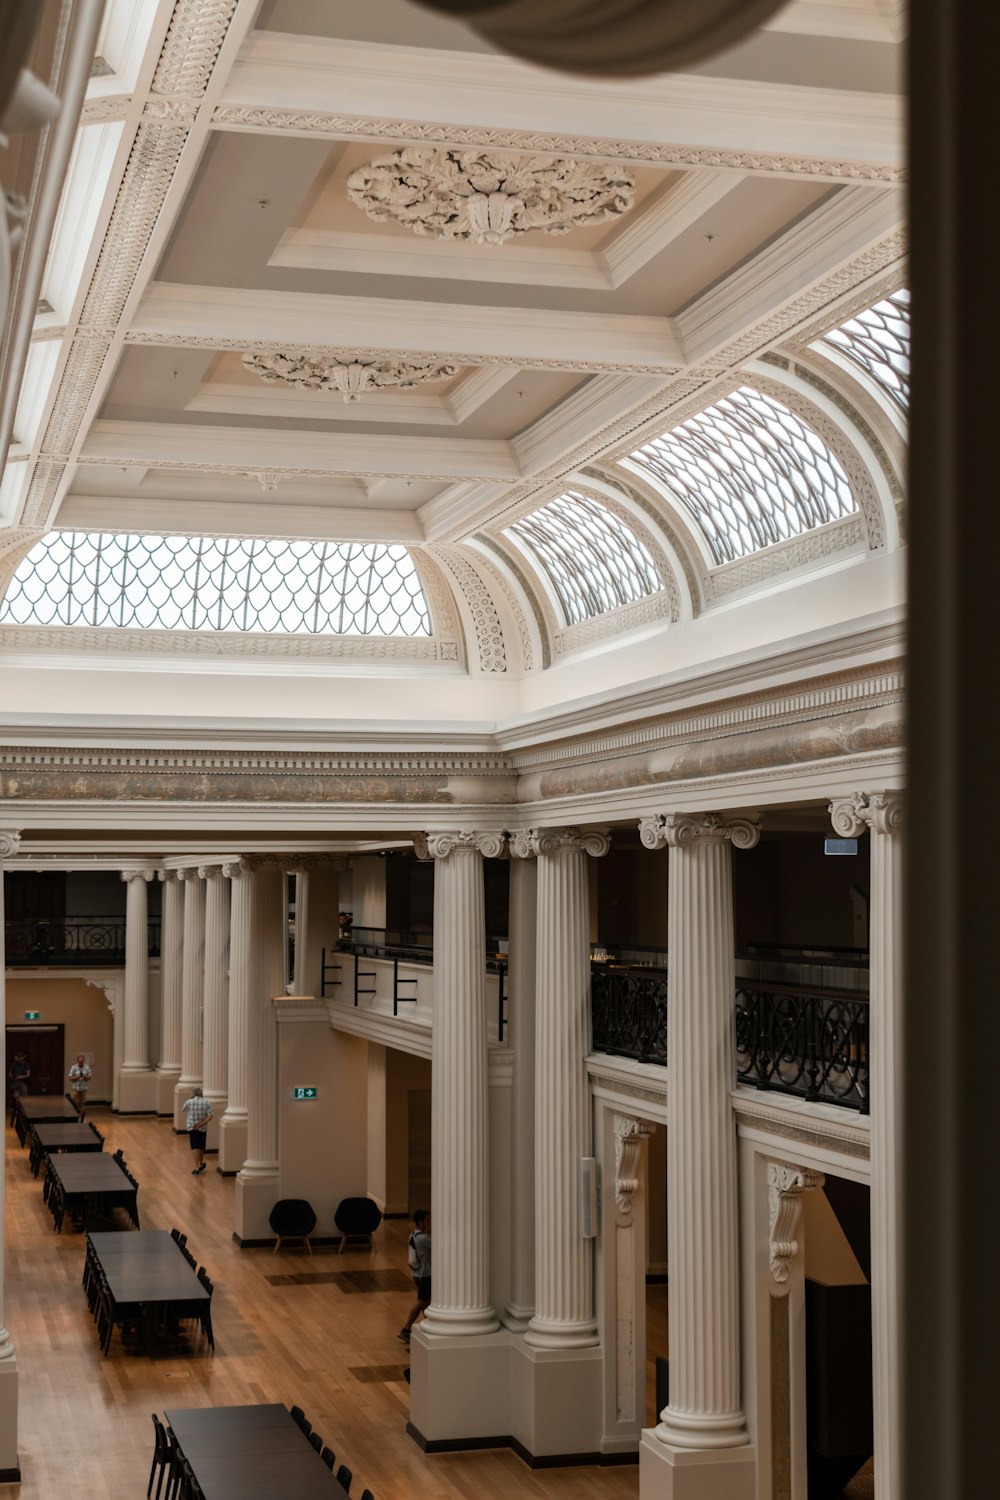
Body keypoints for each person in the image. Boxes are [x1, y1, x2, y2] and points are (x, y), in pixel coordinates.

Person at [398, 1209, 431, 1343]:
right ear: (421, 1222)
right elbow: (440, 1245)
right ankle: (406, 1328)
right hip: (424, 1275)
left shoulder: (413, 1235)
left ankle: (429, 1323)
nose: (430, 1223)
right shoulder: (423, 1239)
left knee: (427, 1301)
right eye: (428, 1220)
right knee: (421, 1302)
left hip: (417, 1274)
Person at [182, 1086, 213, 1175]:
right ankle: (201, 1164)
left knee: (195, 1146)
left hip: (192, 1127)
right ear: (201, 1093)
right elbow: (210, 1116)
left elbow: (183, 1109)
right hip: (202, 1127)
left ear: (193, 1094)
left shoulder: (189, 1102)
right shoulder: (206, 1102)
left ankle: (196, 1167)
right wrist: (201, 1124)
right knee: (201, 1146)